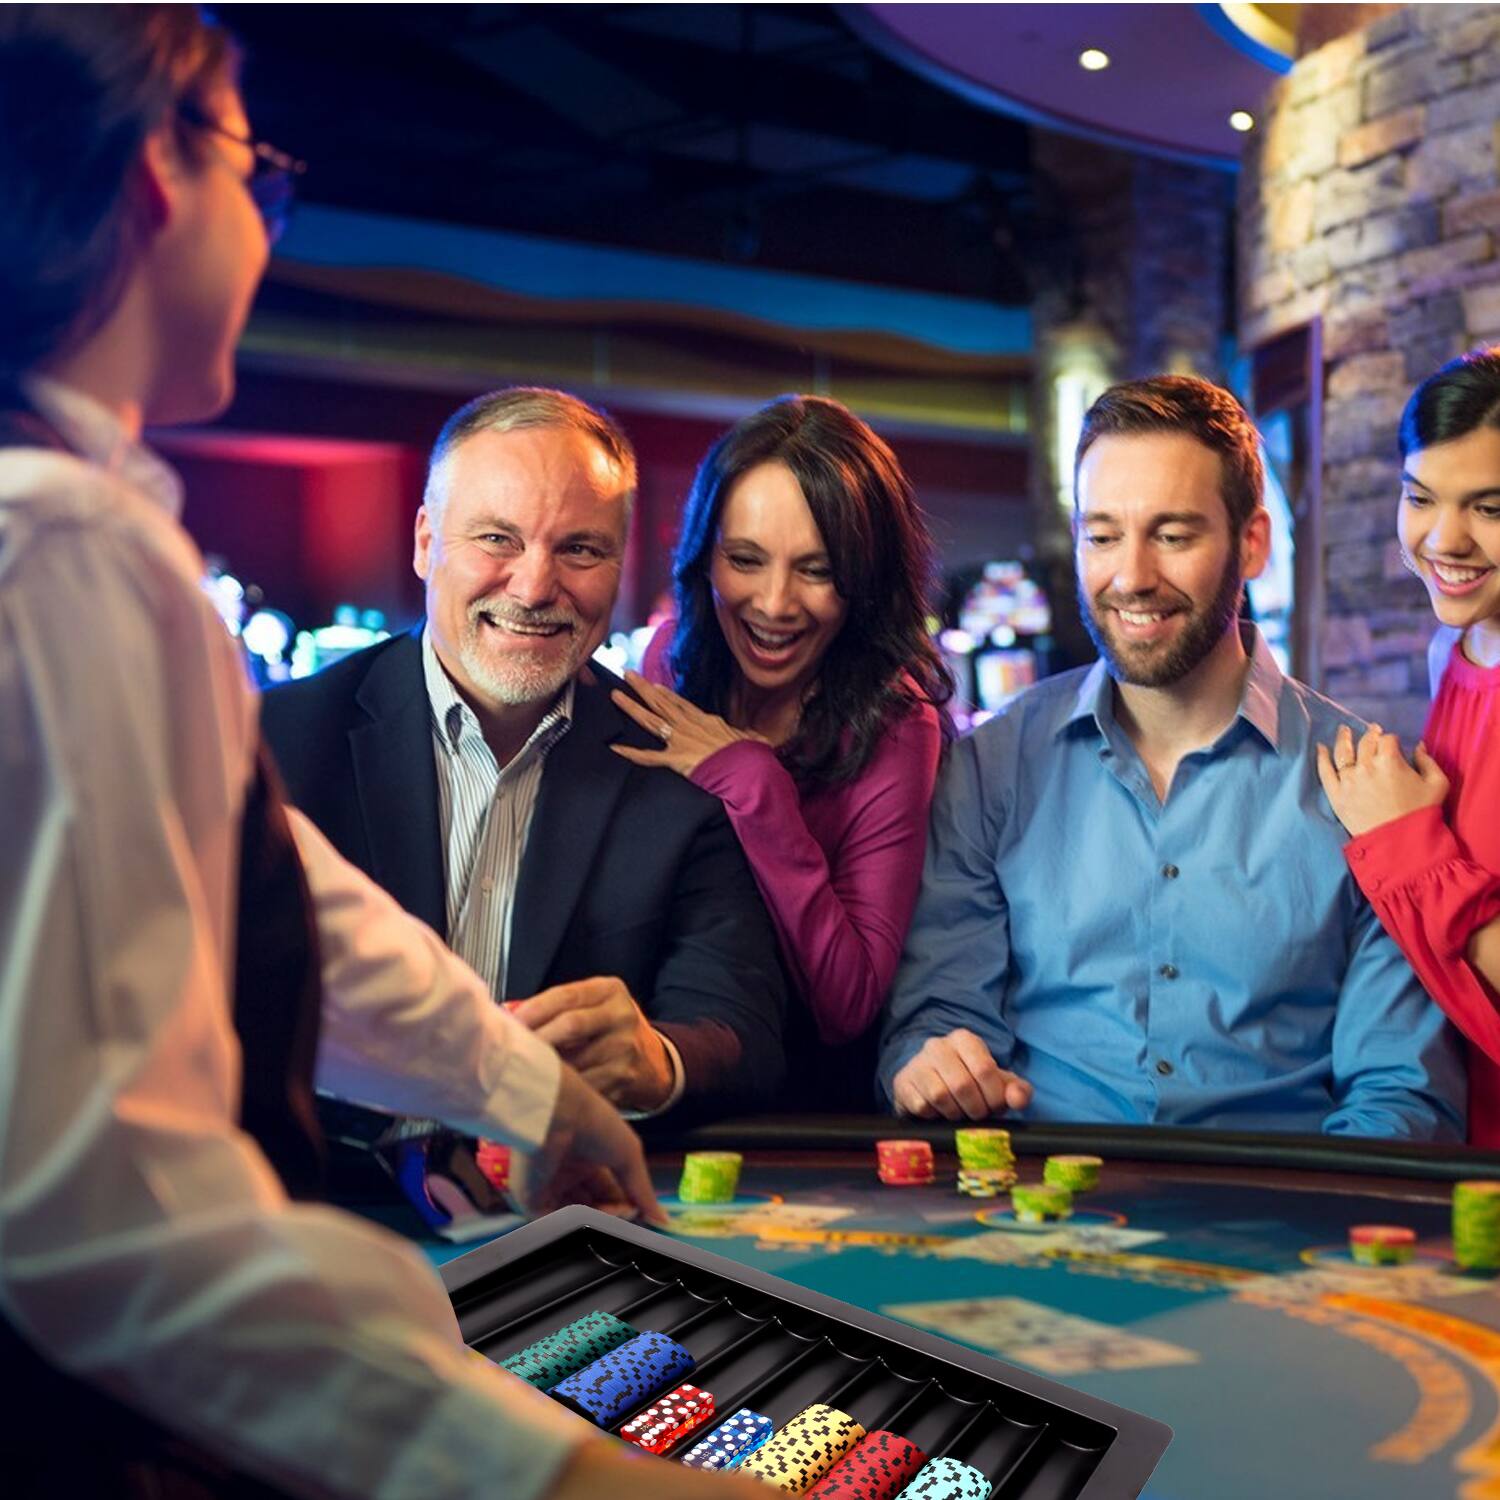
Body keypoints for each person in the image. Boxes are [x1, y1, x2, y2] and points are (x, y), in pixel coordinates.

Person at [0, 9, 760, 1500]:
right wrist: (559, 1477)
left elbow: (286, 904)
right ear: (161, 169)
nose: (265, 212)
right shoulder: (61, 545)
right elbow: (99, 1218)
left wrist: (534, 1095)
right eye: (252, 161)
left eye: (581, 549)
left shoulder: (70, 521)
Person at [879, 375, 1465, 1139]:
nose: (1131, 577)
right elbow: (938, 1019)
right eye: (1103, 534)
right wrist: (931, 1064)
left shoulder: (1365, 783)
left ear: (1251, 543)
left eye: (1173, 535)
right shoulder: (992, 764)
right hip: (1035, 1212)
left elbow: (1401, 1096)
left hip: (1279, 1218)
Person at [262, 386, 787, 1128]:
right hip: (329, 1211)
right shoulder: (275, 744)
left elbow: (741, 1031)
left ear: (619, 564)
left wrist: (655, 1058)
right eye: (497, 539)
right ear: (424, 543)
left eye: (580, 548)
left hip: (564, 1207)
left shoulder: (673, 767)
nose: (536, 587)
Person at [623, 395, 952, 1107]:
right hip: (671, 1071)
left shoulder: (897, 721)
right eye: (745, 560)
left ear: (865, 581)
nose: (774, 603)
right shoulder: (669, 661)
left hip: (812, 1112)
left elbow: (849, 1002)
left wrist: (753, 781)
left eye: (817, 570)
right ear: (703, 556)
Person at [1317, 348, 1500, 1147]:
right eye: (1420, 497)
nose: (1444, 538)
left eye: (1492, 508)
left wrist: (1404, 842)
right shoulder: (1453, 653)